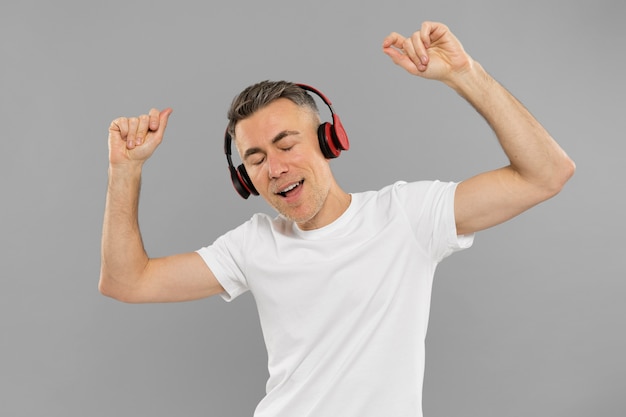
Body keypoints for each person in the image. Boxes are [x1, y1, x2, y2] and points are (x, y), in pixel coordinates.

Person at [100, 21, 575, 417]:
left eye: (287, 145)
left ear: (329, 141)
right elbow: (127, 281)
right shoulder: (253, 245)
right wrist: (126, 170)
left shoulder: (406, 217)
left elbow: (546, 174)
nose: (275, 168)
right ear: (244, 177)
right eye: (256, 159)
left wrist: (465, 74)